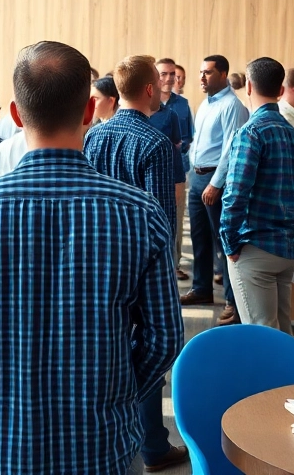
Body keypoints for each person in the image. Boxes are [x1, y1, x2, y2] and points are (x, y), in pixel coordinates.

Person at [0, 41, 183, 475]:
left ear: (16, 115)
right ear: (88, 112)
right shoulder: (139, 213)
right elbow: (164, 338)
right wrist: (117, 395)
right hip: (103, 447)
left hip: (1, 449)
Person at [82, 55, 187, 472]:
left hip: (95, 258)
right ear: (148, 90)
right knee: (150, 346)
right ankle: (152, 444)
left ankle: (112, 431)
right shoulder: (156, 143)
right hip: (138, 263)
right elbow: (160, 218)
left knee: (105, 344)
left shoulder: (93, 137)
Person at [221, 58, 294, 335]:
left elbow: (235, 194)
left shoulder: (250, 132)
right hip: (287, 245)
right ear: (280, 90)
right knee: (282, 333)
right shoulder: (291, 133)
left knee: (261, 336)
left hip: (255, 247)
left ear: (248, 86)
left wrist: (229, 242)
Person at [183, 54, 251, 325]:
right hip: (197, 177)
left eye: (208, 72)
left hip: (216, 180)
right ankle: (201, 288)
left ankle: (233, 302)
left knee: (224, 243)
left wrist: (215, 183)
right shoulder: (206, 104)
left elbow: (230, 150)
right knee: (199, 238)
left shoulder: (232, 106)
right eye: (201, 72)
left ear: (223, 74)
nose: (201, 77)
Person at [156, 58, 194, 279]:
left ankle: (174, 263)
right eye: (164, 73)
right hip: (153, 170)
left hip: (176, 171)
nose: (169, 78)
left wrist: (179, 146)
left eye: (172, 74)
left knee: (176, 219)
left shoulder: (182, 104)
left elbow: (188, 136)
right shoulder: (149, 104)